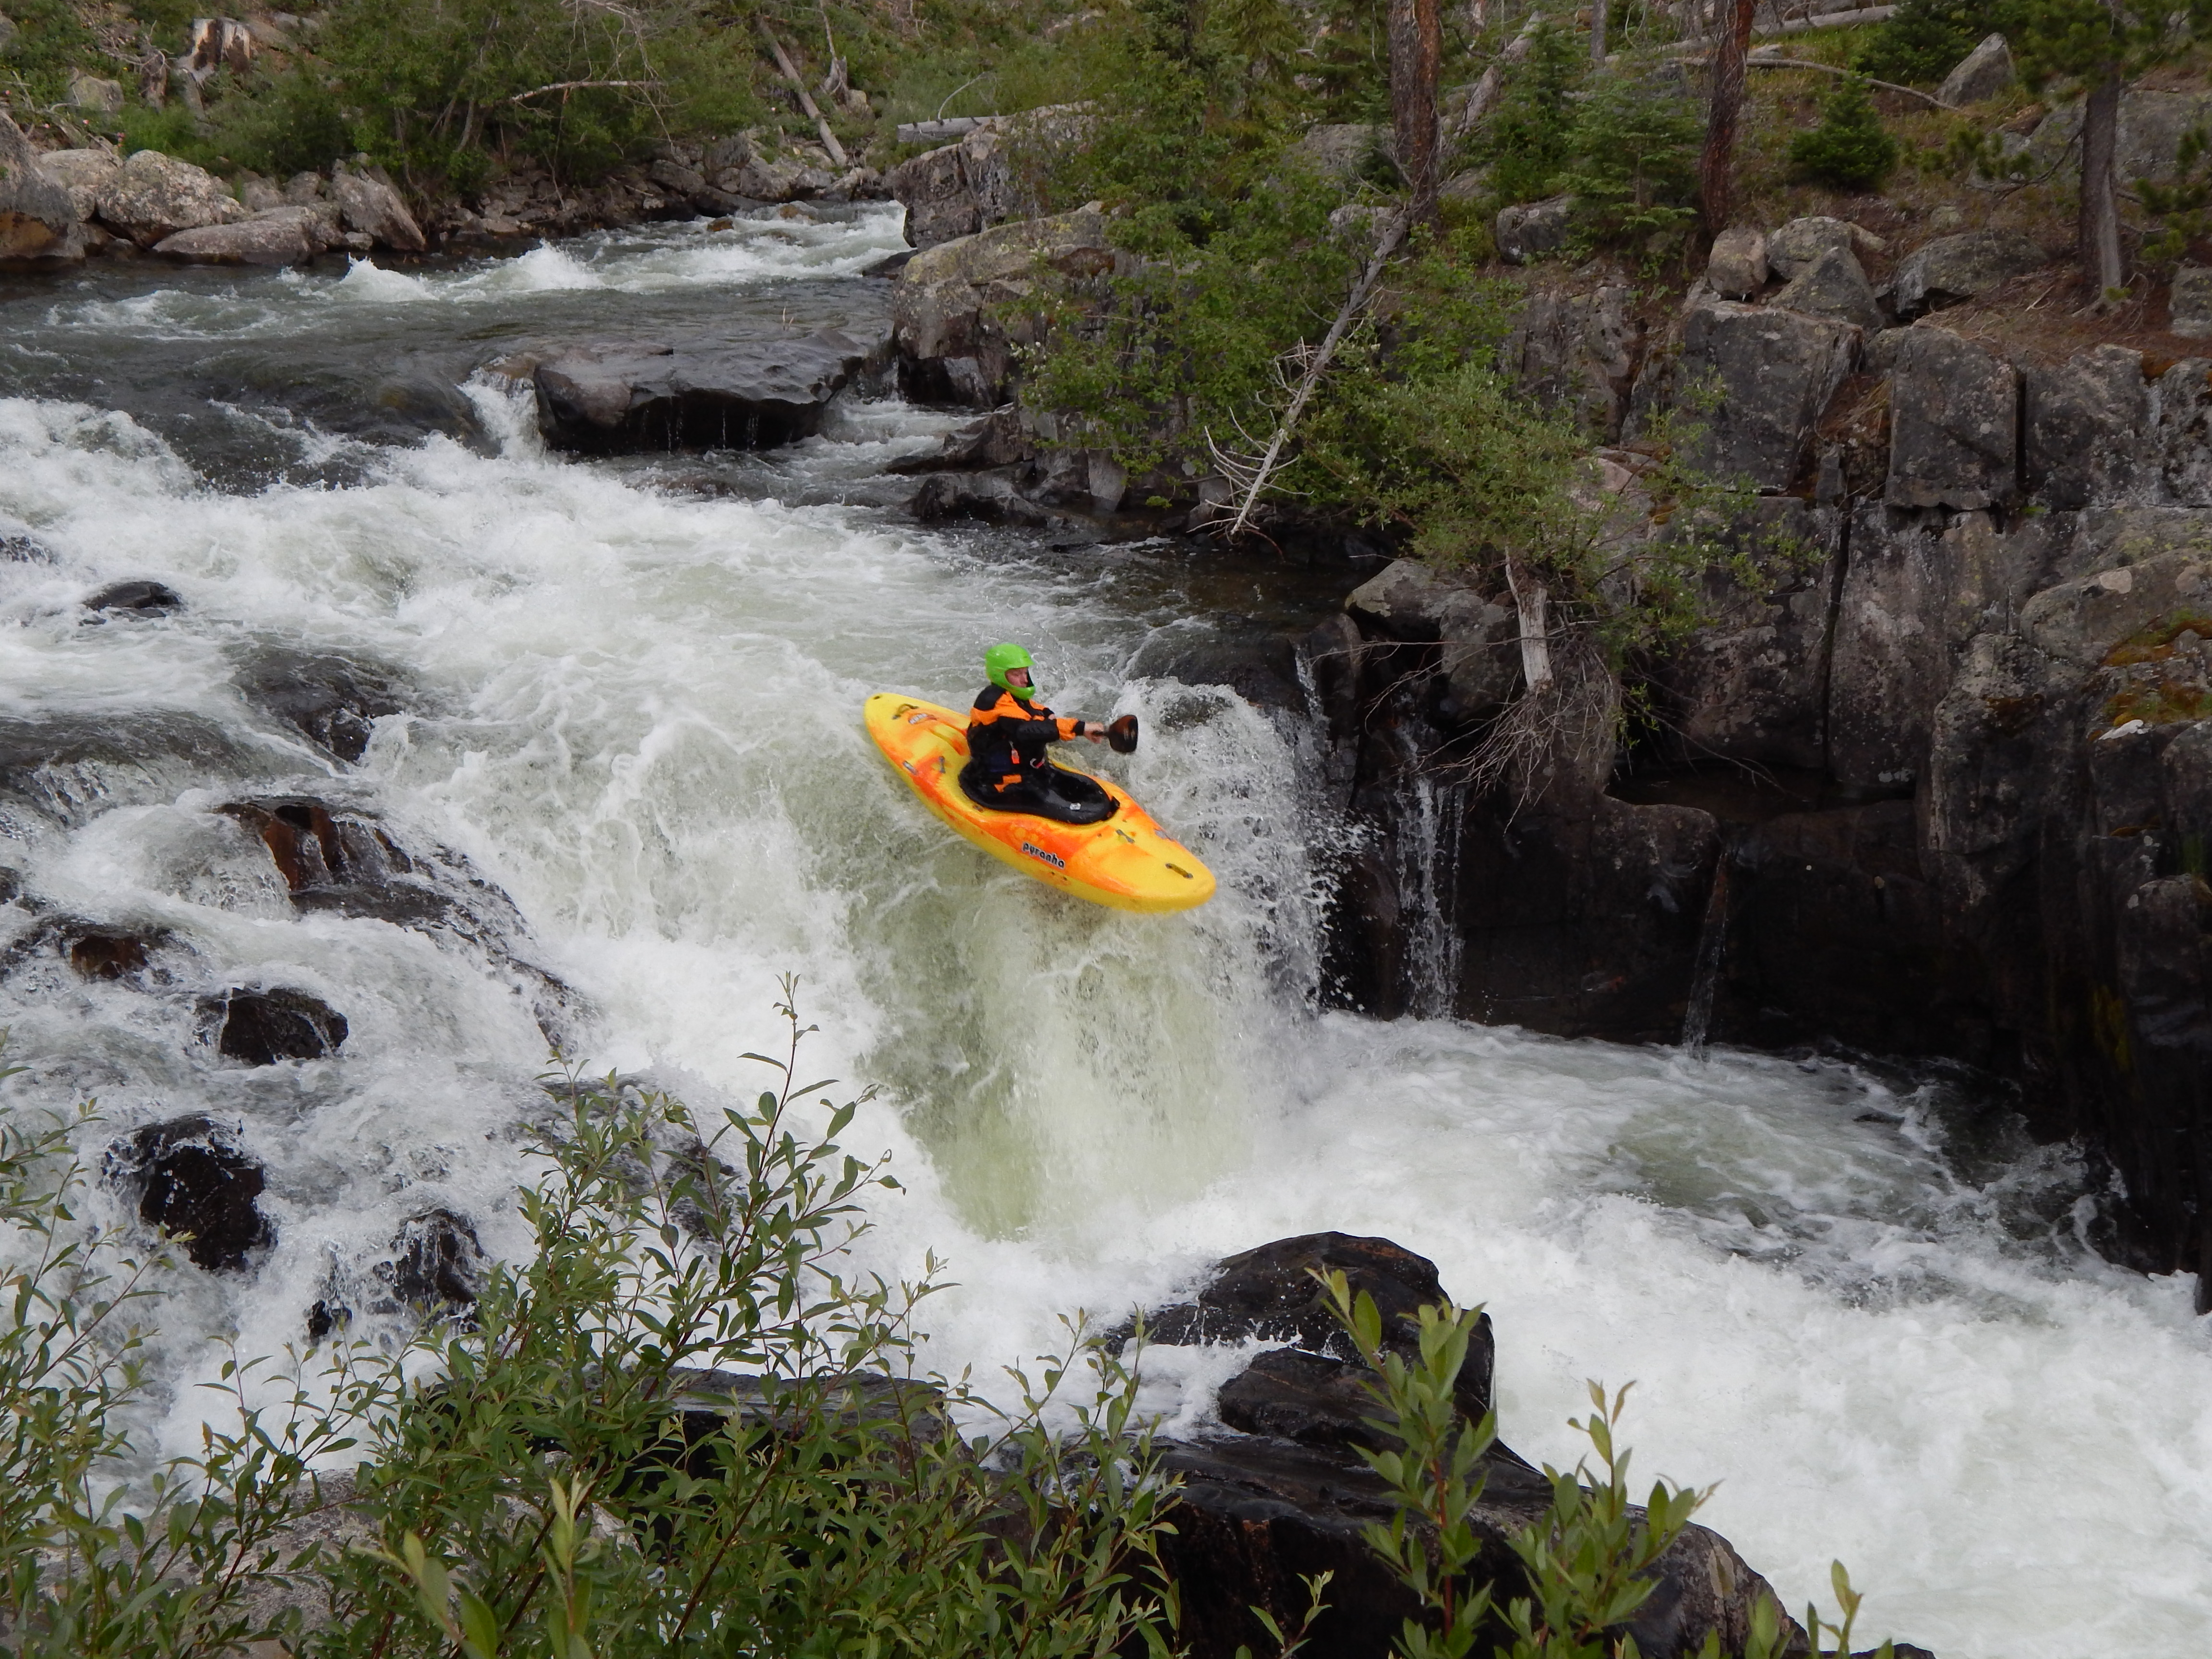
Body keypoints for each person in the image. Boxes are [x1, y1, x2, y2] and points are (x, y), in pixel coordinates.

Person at [962, 643, 1117, 824]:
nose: (1024, 679)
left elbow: (1033, 709)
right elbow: (1027, 730)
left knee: (1095, 795)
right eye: (1016, 674)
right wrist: (1080, 727)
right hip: (1000, 784)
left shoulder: (1013, 695)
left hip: (1035, 772)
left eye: (1025, 672)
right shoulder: (992, 703)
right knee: (1079, 814)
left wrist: (1048, 714)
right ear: (999, 675)